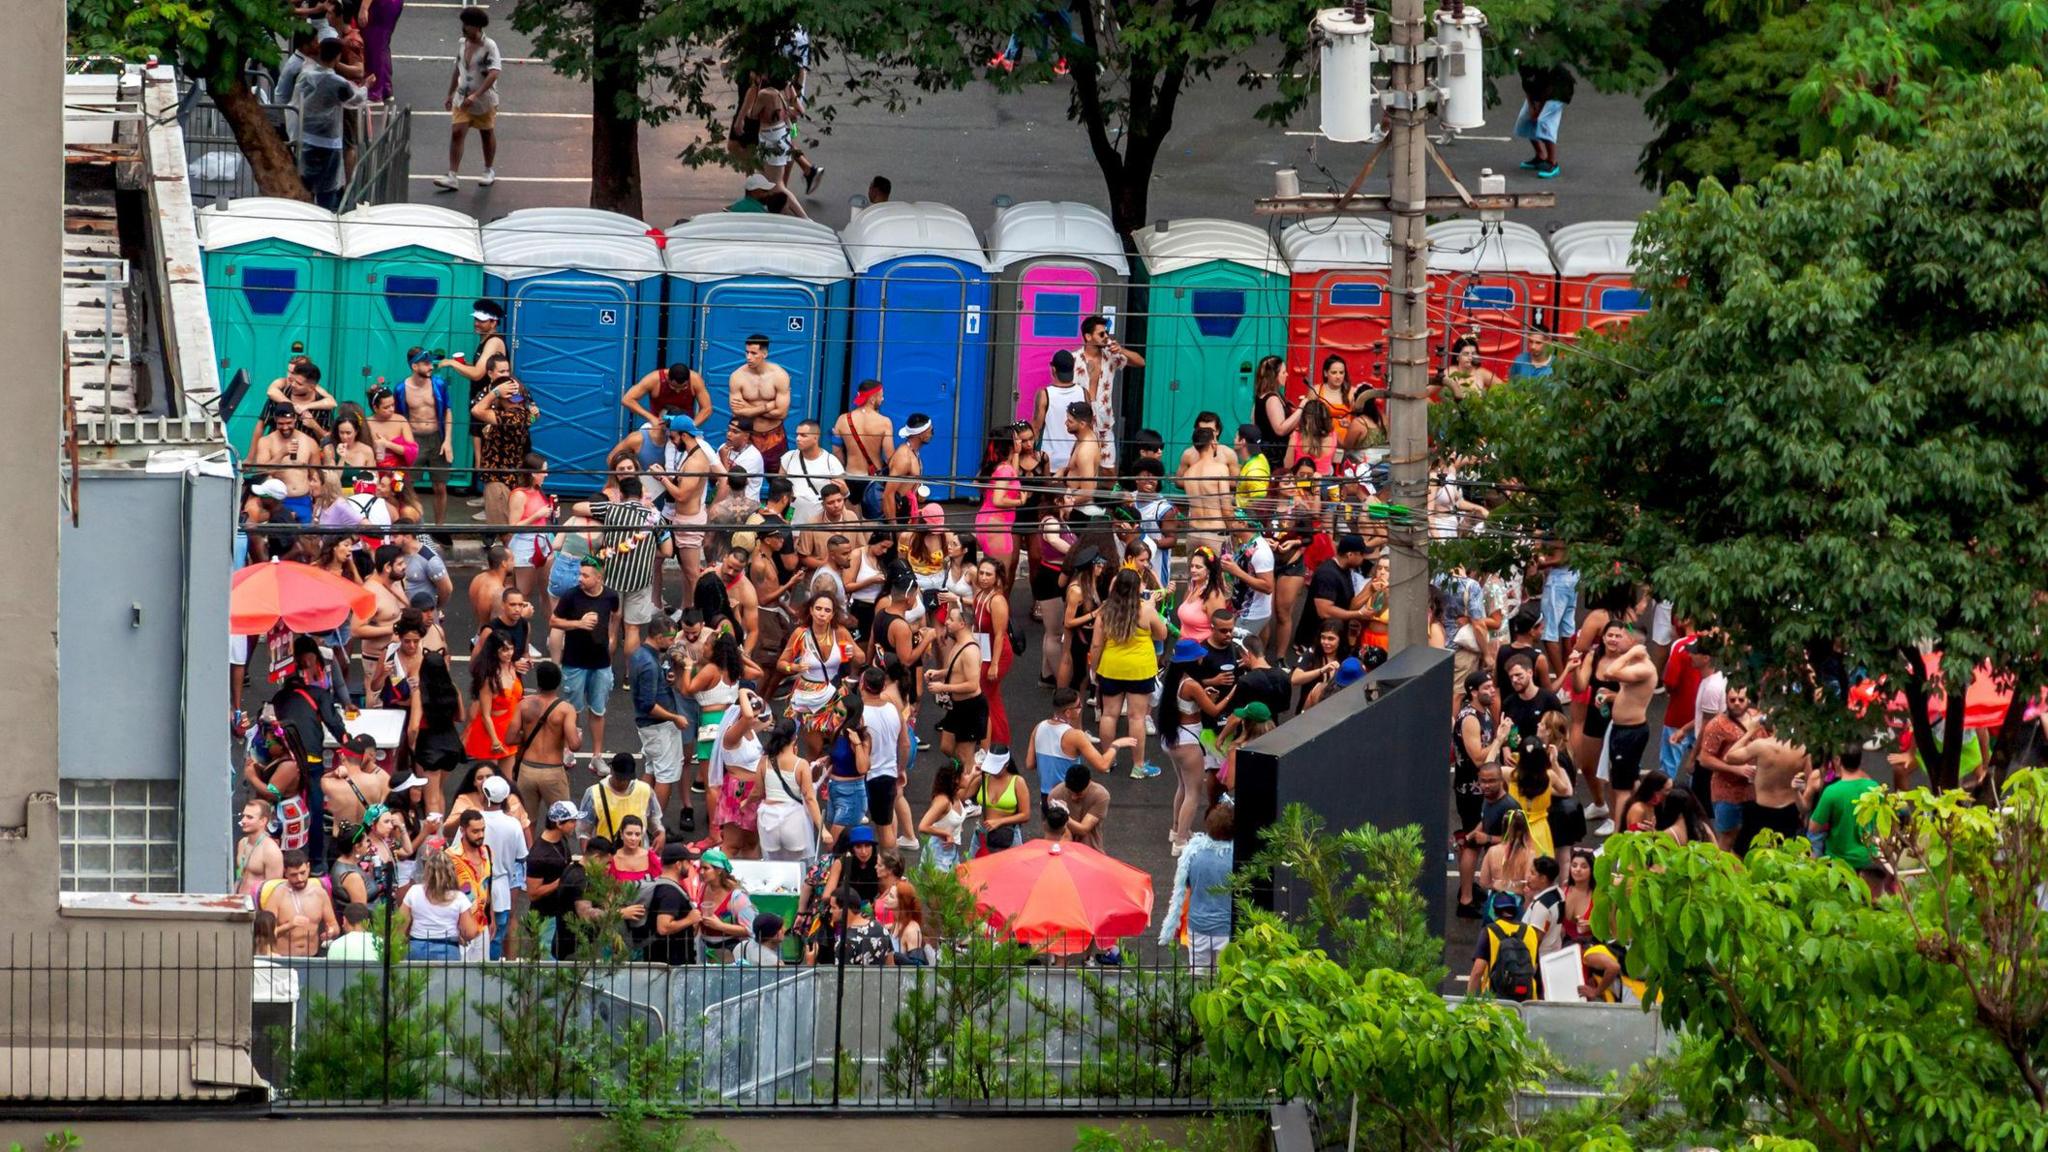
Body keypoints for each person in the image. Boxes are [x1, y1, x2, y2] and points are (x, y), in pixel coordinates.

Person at [1090, 568, 1167, 779]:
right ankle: (1138, 766)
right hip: (1140, 669)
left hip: (1111, 668)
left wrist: (1094, 669)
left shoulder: (1105, 612)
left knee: (1108, 714)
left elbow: (1097, 645)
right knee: (1137, 718)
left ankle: (1107, 759)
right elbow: (1162, 634)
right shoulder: (1146, 610)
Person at [551, 555, 621, 764]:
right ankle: (567, 749)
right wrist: (578, 624)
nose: (580, 578)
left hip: (601, 663)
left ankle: (597, 756)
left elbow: (616, 615)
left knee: (598, 710)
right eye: (579, 574)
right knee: (572, 709)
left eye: (585, 575)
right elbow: (554, 620)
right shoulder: (571, 596)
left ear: (599, 578)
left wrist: (612, 636)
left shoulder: (610, 596)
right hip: (575, 661)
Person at [433, 7, 502, 189]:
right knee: (457, 133)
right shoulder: (462, 43)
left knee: (486, 133)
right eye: (464, 24)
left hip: (484, 101)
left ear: (478, 27)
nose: (464, 28)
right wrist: (450, 93)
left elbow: (494, 72)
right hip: (462, 98)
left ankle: (488, 169)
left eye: (468, 25)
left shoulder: (489, 46)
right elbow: (458, 68)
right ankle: (452, 175)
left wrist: (476, 94)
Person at [1160, 803, 1235, 971]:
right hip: (1226, 928)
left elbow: (1186, 886)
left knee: (1198, 978)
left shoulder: (1193, 854)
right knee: (1227, 979)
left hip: (1198, 925)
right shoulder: (1236, 858)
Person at [294, 39, 367, 209]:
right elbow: (355, 99)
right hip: (329, 142)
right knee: (327, 188)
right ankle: (326, 219)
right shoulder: (337, 82)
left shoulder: (306, 74)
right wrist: (366, 87)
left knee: (306, 184)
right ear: (337, 57)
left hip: (306, 138)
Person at [1808, 751, 1888, 891]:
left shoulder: (1832, 792)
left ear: (1839, 761)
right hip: (1867, 858)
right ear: (1860, 762)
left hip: (1838, 860)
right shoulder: (1875, 788)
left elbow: (1813, 827)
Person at [927, 596, 988, 767]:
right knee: (946, 747)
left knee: (964, 753)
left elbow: (972, 685)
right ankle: (968, 768)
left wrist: (943, 686)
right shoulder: (958, 643)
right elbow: (957, 670)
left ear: (962, 624)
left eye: (951, 620)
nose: (945, 622)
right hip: (958, 706)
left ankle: (969, 776)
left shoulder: (970, 650)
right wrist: (939, 673)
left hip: (971, 707)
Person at [1073, 315, 1140, 468]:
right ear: (1088, 336)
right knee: (1081, 467)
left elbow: (1140, 362)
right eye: (1101, 334)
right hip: (1081, 424)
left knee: (1109, 469)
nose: (1106, 337)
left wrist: (1121, 349)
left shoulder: (1111, 356)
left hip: (1104, 423)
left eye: (1106, 333)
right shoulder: (1074, 359)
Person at [477, 774, 528, 958]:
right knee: (496, 937)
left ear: (484, 795)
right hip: (501, 886)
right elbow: (521, 856)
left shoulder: (474, 821)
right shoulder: (513, 824)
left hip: (476, 886)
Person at [404, 851, 483, 960]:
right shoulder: (459, 897)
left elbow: (400, 926)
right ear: (451, 873)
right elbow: (470, 932)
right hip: (447, 949)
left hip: (416, 948)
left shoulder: (414, 891)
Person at [579, 753, 664, 850]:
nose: (623, 782)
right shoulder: (594, 793)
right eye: (619, 779)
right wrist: (589, 859)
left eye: (626, 779)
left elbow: (654, 819)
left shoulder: (645, 790)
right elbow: (584, 832)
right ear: (611, 771)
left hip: (638, 856)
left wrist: (660, 833)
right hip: (606, 857)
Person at [262, 849, 338, 956]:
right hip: (284, 958)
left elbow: (334, 925)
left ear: (308, 867)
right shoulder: (277, 895)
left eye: (303, 873)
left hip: (312, 957)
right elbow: (264, 934)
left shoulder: (320, 894)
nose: (300, 878)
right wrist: (289, 925)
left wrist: (331, 931)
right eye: (294, 875)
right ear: (285, 872)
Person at [1471, 890, 1542, 1002]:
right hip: (1527, 1001)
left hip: (1494, 1001)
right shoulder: (1530, 931)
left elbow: (1477, 971)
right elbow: (1535, 967)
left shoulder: (1489, 931)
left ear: (1494, 910)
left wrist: (1469, 1000)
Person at [639, 844, 702, 965]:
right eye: (688, 862)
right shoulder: (670, 892)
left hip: (659, 961)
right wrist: (689, 920)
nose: (690, 865)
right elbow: (663, 927)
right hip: (670, 963)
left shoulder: (660, 886)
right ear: (678, 865)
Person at [1513, 62, 1573, 179]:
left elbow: (1548, 89)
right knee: (1525, 120)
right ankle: (1540, 156)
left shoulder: (1543, 63)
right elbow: (1526, 84)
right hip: (1539, 93)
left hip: (1557, 92)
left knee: (1544, 122)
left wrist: (1538, 111)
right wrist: (1531, 107)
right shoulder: (1522, 64)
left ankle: (1552, 163)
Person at [781, 418, 847, 524]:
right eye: (797, 434)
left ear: (815, 438)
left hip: (819, 519)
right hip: (793, 514)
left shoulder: (831, 462)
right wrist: (787, 519)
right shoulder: (788, 458)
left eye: (803, 435)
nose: (798, 438)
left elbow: (841, 496)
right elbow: (780, 491)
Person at [1034, 351, 1090, 476]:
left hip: (1049, 463)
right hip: (1076, 462)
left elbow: (1036, 428)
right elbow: (1090, 429)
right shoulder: (1084, 393)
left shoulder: (1045, 394)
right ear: (1073, 367)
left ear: (1053, 369)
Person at [624, 362, 711, 429]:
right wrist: (651, 418)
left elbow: (707, 408)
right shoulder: (654, 379)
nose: (678, 391)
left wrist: (691, 425)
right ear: (667, 378)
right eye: (674, 387)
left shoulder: (695, 380)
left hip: (683, 425)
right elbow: (627, 399)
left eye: (683, 387)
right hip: (659, 424)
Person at [235, 799, 284, 896]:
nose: (243, 820)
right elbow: (239, 875)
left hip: (257, 906)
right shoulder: (242, 843)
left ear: (263, 821)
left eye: (249, 817)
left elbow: (273, 891)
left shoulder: (271, 851)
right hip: (239, 900)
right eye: (243, 816)